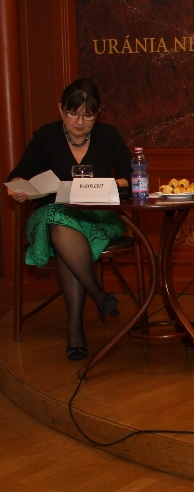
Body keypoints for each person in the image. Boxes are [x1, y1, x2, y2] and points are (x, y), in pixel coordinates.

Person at [6, 77, 132, 361]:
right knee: (59, 219)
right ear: (60, 110)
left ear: (99, 114)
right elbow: (18, 175)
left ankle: (77, 326)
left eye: (88, 116)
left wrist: (111, 184)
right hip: (51, 214)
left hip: (96, 215)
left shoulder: (108, 135)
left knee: (64, 234)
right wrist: (18, 188)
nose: (80, 122)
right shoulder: (46, 136)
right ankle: (97, 295)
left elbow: (132, 176)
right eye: (73, 114)